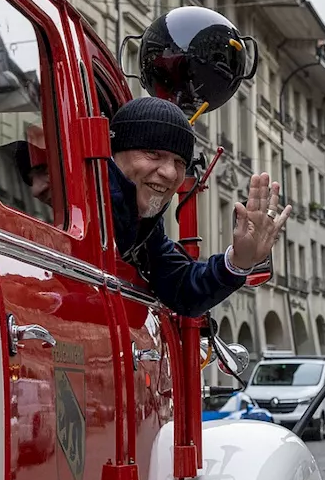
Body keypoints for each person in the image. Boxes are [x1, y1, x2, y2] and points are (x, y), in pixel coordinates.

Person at [108, 96, 291, 317]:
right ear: (113, 151)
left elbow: (181, 287)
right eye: (153, 153)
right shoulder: (74, 200)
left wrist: (238, 261)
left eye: (180, 162)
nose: (171, 173)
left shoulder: (146, 227)